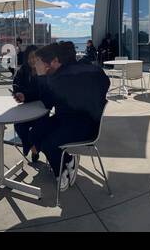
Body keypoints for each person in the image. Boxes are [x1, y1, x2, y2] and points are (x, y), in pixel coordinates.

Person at [20, 42, 110, 192]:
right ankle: (68, 160)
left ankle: (61, 170)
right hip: (71, 120)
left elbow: (48, 103)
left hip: (85, 127)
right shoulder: (86, 69)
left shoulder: (60, 78)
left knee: (48, 143)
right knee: (35, 133)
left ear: (55, 61)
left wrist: (42, 76)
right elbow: (106, 82)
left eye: (41, 63)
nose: (38, 66)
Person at [10, 45, 43, 161]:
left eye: (35, 57)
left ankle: (32, 148)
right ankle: (32, 147)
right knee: (18, 125)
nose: (32, 60)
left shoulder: (44, 71)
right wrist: (17, 93)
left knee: (38, 129)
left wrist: (26, 95)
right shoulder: (22, 70)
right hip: (25, 108)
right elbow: (16, 85)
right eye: (30, 58)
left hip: (41, 109)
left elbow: (42, 92)